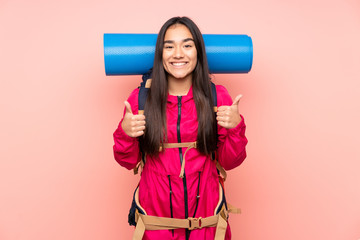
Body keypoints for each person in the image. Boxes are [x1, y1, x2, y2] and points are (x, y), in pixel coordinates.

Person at [113, 16, 248, 240]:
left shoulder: (218, 96)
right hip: (156, 230)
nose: (178, 54)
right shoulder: (140, 99)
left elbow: (230, 162)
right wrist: (126, 134)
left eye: (187, 45)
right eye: (169, 46)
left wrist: (235, 128)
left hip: (207, 229)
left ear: (198, 52)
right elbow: (126, 161)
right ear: (160, 54)